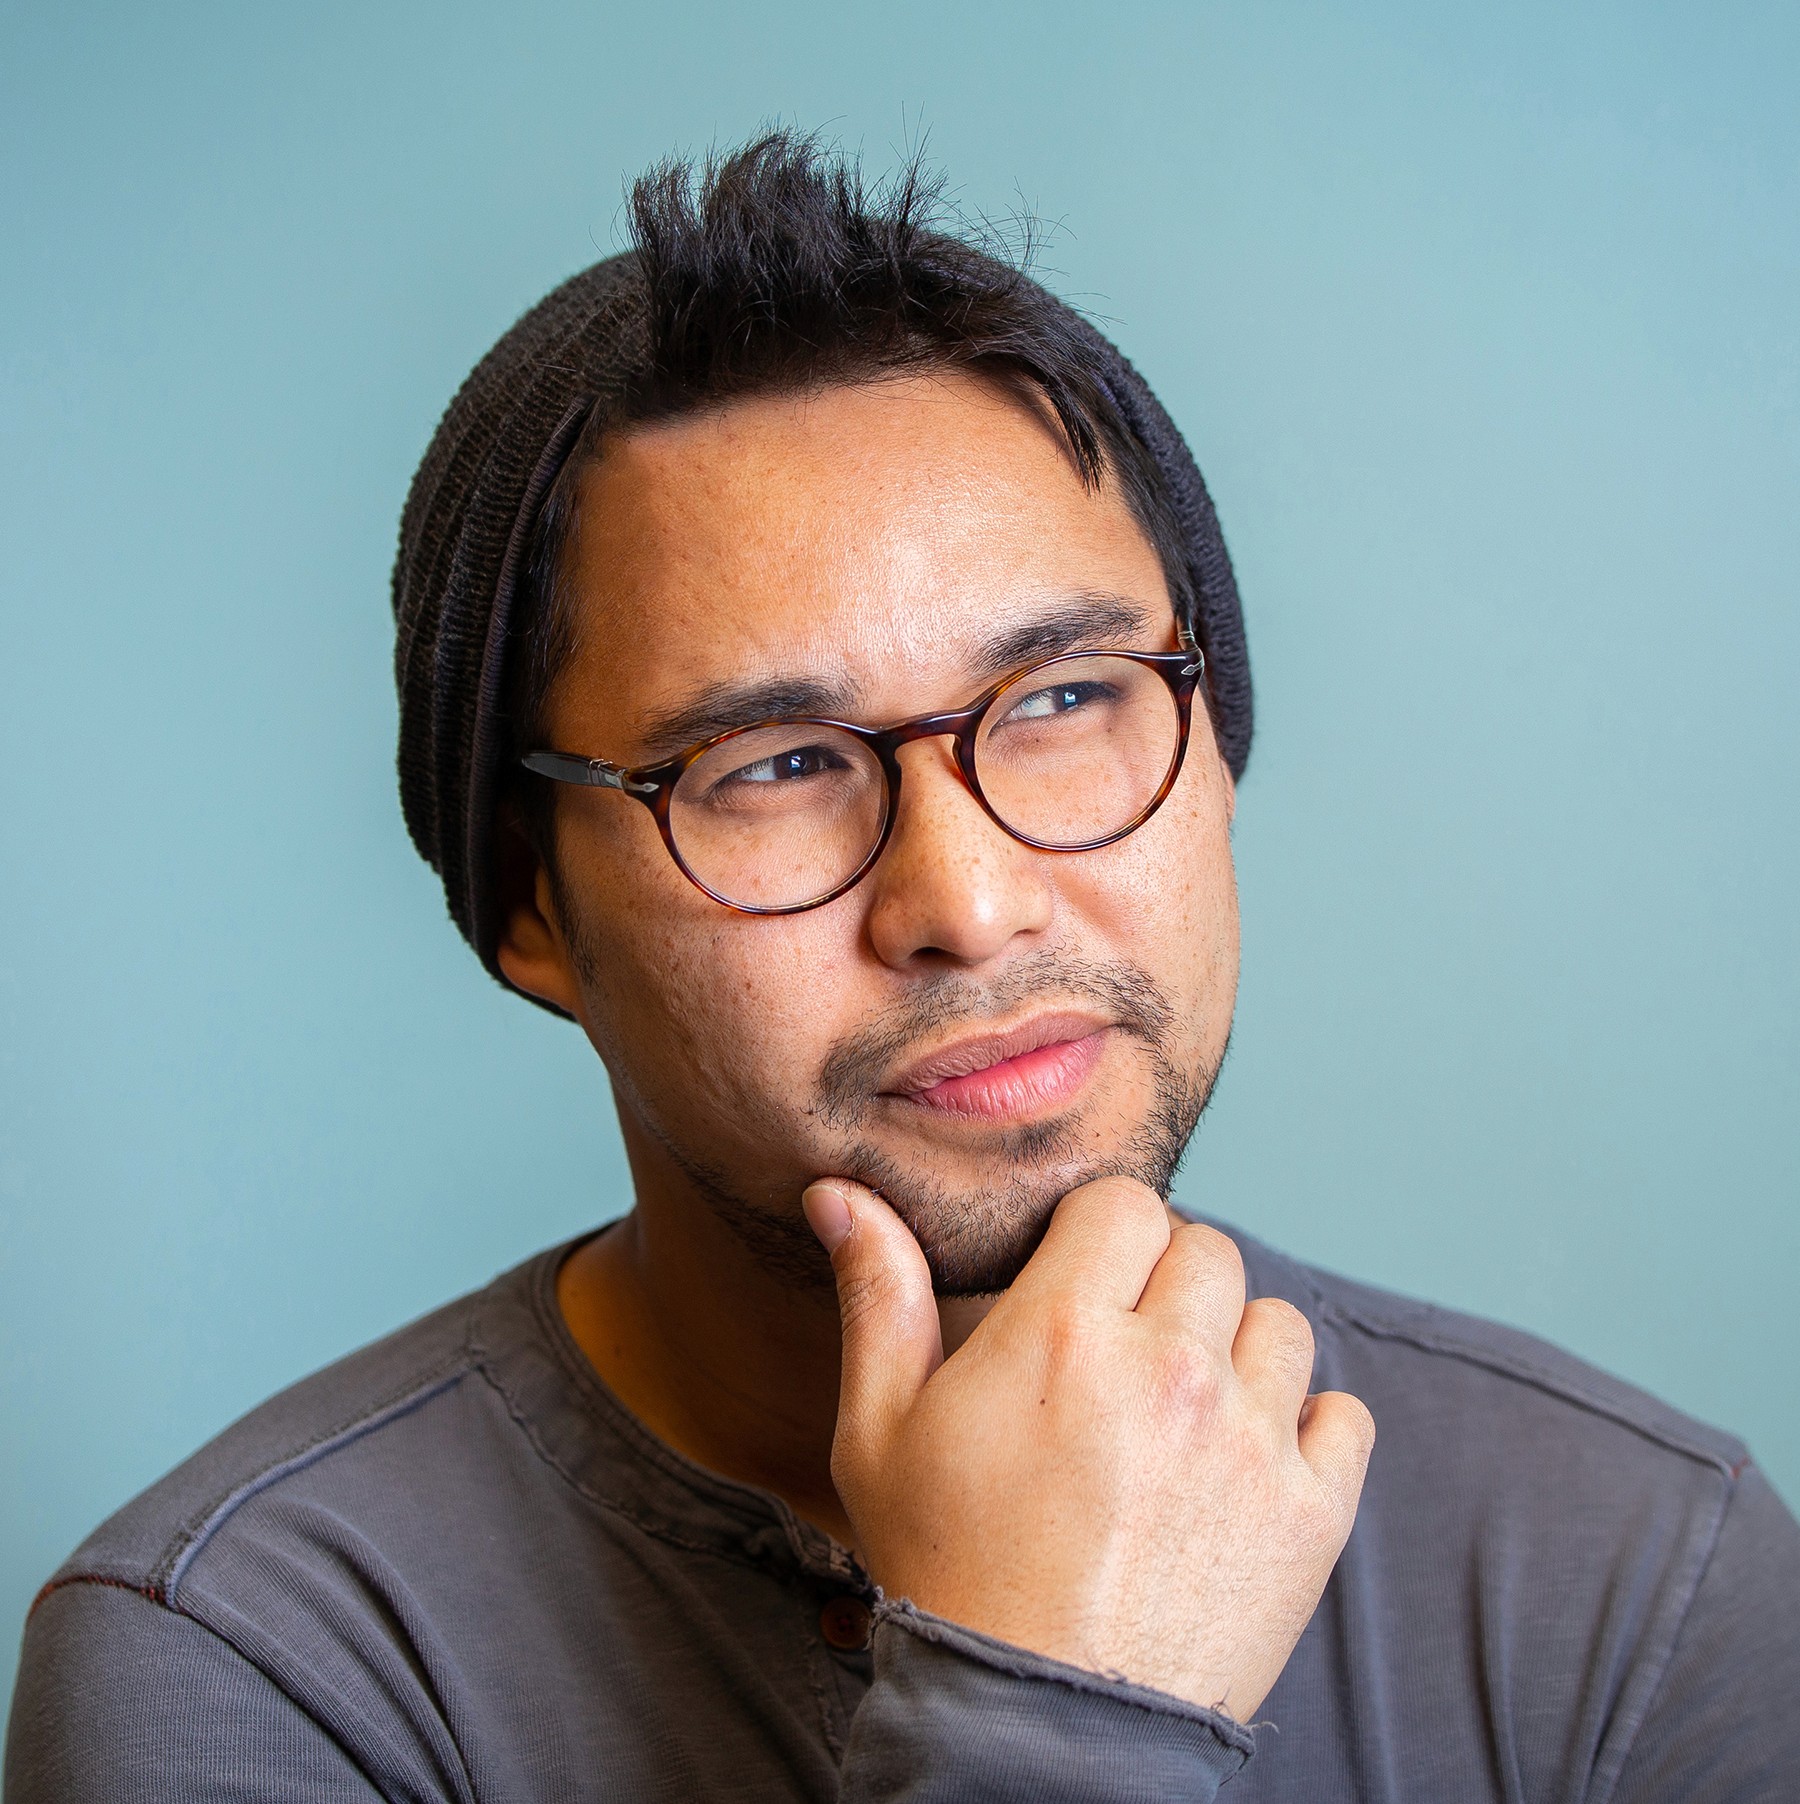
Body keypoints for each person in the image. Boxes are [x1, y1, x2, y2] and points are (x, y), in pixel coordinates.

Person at [8, 133, 1798, 1803]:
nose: (974, 897)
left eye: (1070, 701)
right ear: (524, 903)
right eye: (775, 767)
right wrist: (1047, 1723)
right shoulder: (254, 1665)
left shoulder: (1638, 1575)